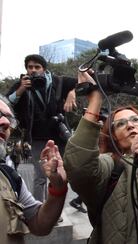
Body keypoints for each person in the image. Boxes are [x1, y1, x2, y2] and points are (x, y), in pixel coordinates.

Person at [63, 71, 138, 244]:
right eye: (120, 124)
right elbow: (79, 167)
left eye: (135, 119)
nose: (130, 125)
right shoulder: (110, 164)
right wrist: (95, 99)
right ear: (113, 136)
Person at [6, 54, 77, 202]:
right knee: (40, 176)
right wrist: (20, 90)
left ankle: (56, 210)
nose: (33, 70)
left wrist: (72, 93)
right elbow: (7, 103)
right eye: (30, 67)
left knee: (60, 173)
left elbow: (82, 83)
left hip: (59, 135)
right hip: (37, 137)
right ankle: (40, 208)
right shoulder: (21, 83)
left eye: (37, 67)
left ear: (44, 69)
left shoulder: (59, 81)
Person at [0, 94, 68, 243]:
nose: (5, 122)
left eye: (9, 119)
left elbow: (39, 224)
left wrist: (58, 188)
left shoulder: (10, 177)